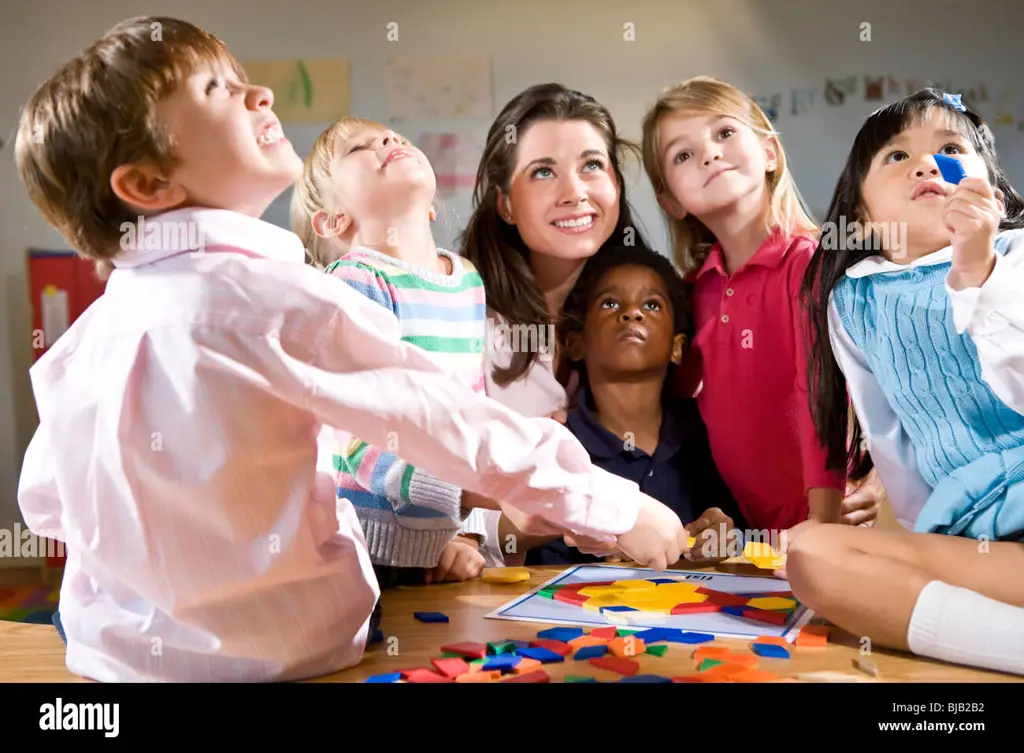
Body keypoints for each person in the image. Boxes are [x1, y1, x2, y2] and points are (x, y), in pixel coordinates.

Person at [13, 16, 688, 682]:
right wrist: (617, 506)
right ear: (148, 186)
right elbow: (441, 416)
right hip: (290, 650)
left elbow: (44, 501)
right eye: (218, 89)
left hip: (114, 656)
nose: (261, 94)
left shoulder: (86, 339)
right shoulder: (277, 297)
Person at [787, 87, 1024, 677]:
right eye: (896, 157)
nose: (924, 163)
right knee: (812, 553)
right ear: (863, 218)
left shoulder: (1015, 254)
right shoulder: (854, 300)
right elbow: (893, 443)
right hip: (978, 545)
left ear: (988, 188)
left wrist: (978, 272)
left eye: (949, 148)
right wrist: (917, 548)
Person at [640, 75, 879, 534]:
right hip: (759, 534)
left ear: (770, 151)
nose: (709, 153)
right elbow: (670, 396)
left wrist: (822, 524)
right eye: (683, 155)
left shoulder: (809, 264)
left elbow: (821, 403)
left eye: (724, 132)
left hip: (831, 523)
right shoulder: (696, 289)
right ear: (670, 200)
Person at [291, 116, 493, 586]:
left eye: (395, 136)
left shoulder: (466, 279)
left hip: (447, 539)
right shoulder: (353, 280)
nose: (389, 138)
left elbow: (475, 414)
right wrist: (467, 496)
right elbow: (354, 432)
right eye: (360, 148)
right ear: (335, 219)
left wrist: (469, 535)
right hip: (371, 551)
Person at [459, 83, 654, 562]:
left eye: (592, 165)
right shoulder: (463, 318)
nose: (575, 193)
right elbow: (431, 491)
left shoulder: (655, 308)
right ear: (504, 203)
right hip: (492, 594)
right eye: (544, 171)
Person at [526, 244, 748, 565]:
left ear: (677, 348)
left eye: (652, 304)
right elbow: (539, 565)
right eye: (610, 303)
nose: (632, 313)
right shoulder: (559, 447)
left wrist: (730, 540)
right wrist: (603, 565)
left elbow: (749, 532)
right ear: (576, 344)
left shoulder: (708, 434)